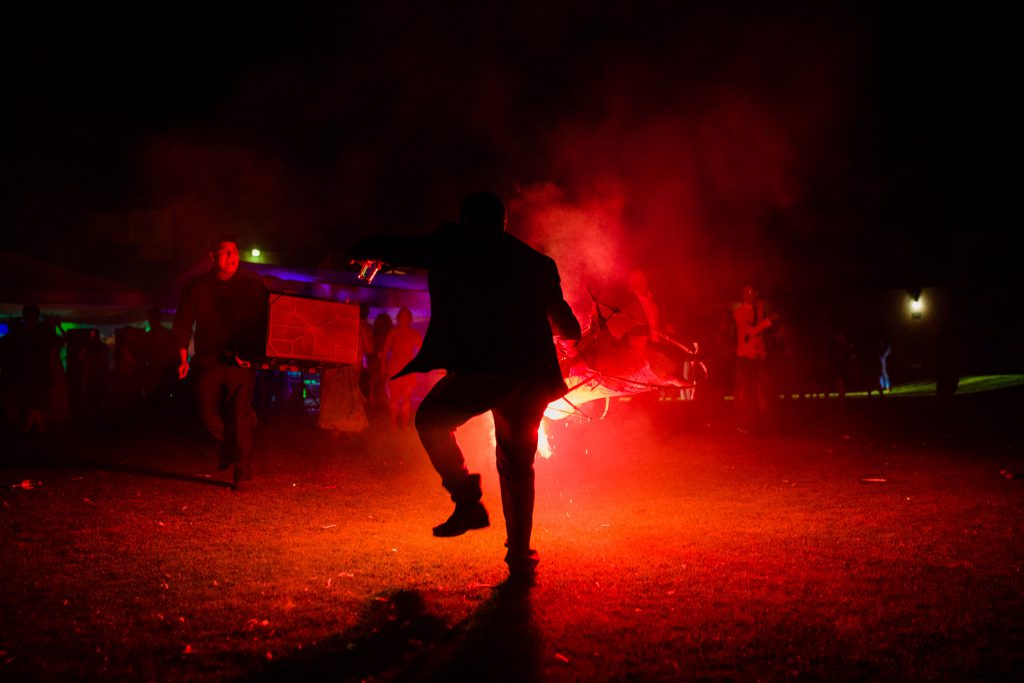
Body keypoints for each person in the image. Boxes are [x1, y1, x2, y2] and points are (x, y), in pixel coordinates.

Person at [351, 191, 582, 583]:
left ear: (463, 221)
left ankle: (467, 499)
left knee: (430, 420)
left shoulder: (453, 245)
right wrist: (567, 332)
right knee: (517, 468)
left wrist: (363, 251)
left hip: (486, 371)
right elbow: (569, 330)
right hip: (530, 379)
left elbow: (398, 245)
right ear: (503, 223)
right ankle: (520, 559)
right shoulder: (538, 263)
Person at [173, 236, 268, 491]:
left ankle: (242, 473)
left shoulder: (251, 287)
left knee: (240, 417)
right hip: (208, 360)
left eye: (235, 251)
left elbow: (263, 323)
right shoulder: (197, 287)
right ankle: (230, 446)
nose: (232, 257)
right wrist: (183, 358)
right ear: (212, 257)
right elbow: (183, 322)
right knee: (207, 415)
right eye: (225, 252)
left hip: (241, 362)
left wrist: (252, 353)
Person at [733, 285, 775, 430]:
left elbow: (760, 336)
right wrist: (767, 321)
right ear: (743, 295)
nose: (751, 295)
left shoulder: (759, 310)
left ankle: (760, 418)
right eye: (747, 293)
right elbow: (750, 332)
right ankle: (747, 418)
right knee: (747, 388)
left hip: (757, 356)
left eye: (753, 292)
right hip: (745, 357)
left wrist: (762, 351)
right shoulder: (738, 313)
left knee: (760, 386)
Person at [382, 307, 423, 430]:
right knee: (394, 398)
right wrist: (383, 366)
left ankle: (404, 425)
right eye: (402, 316)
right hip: (394, 369)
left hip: (409, 371)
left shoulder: (414, 334)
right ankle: (393, 423)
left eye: (406, 316)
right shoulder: (393, 333)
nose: (404, 319)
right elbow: (385, 351)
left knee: (406, 398)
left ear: (410, 319)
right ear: (398, 318)